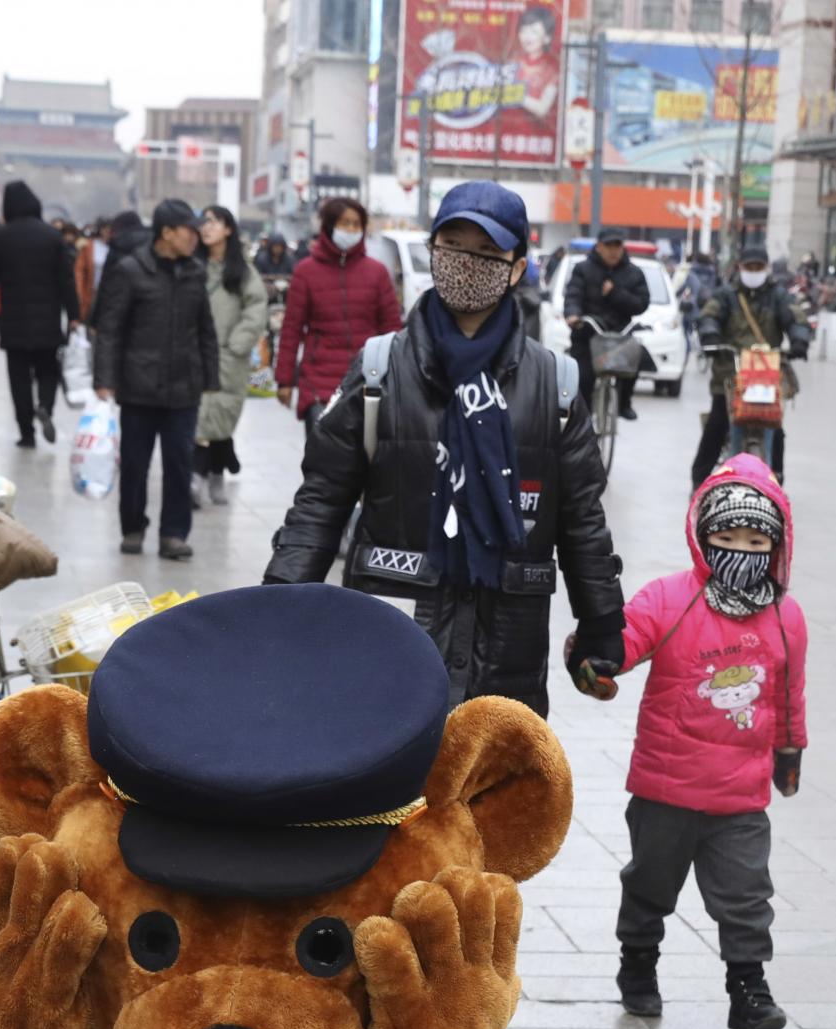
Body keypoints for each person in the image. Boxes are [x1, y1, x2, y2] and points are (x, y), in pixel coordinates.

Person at [265, 180, 623, 716]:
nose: (466, 264)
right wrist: (276, 606)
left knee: (488, 796)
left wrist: (601, 625)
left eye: (486, 253)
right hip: (388, 643)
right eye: (454, 247)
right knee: (382, 799)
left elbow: (581, 522)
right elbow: (321, 500)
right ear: (433, 252)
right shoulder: (379, 370)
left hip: (507, 654)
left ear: (517, 267)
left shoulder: (556, 386)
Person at [602, 457, 809, 1029]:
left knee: (746, 895)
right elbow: (626, 639)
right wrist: (595, 656)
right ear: (701, 536)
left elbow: (790, 692)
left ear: (775, 544)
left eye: (754, 539)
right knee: (649, 884)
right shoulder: (669, 598)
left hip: (740, 796)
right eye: (724, 537)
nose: (739, 549)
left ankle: (748, 987)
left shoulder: (785, 616)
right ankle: (638, 963)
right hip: (666, 787)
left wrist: (790, 751)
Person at [91, 197, 216, 560]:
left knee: (179, 462)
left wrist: (209, 375)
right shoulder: (131, 270)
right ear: (167, 233)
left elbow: (204, 329)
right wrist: (105, 379)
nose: (195, 237)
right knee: (134, 463)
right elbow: (110, 329)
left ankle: (174, 534)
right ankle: (133, 527)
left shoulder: (195, 272)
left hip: (183, 387)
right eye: (189, 230)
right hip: (138, 386)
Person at [273, 196, 400, 443]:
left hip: (368, 381)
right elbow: (291, 330)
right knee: (322, 467)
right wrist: (284, 381)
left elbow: (392, 332)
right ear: (329, 226)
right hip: (318, 383)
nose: (351, 230)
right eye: (344, 223)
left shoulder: (377, 273)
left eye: (356, 224)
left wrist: (398, 381)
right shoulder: (305, 272)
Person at [691, 238, 811, 484]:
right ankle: (699, 481)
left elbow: (796, 319)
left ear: (766, 268)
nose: (754, 272)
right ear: (740, 267)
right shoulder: (726, 295)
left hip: (766, 375)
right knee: (718, 423)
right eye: (750, 267)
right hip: (730, 372)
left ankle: (776, 478)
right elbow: (708, 316)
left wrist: (800, 340)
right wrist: (710, 335)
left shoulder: (779, 296)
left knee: (775, 426)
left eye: (758, 267)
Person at [0, 180, 79, 449]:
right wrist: (73, 314)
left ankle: (26, 433)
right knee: (48, 370)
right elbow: (66, 279)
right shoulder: (52, 236)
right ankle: (45, 405)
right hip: (47, 316)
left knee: (19, 377)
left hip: (13, 318)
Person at [192, 204, 268, 505]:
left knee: (221, 415)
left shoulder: (242, 271)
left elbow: (256, 307)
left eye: (214, 221)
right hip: (194, 353)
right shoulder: (193, 265)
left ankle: (216, 469)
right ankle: (196, 477)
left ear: (228, 228)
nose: (206, 227)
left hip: (228, 355)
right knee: (197, 416)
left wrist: (240, 341)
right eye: (203, 222)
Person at [563, 227, 650, 420]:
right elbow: (573, 296)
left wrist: (615, 293)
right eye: (608, 245)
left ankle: (623, 404)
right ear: (599, 247)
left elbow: (641, 303)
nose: (613, 250)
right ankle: (582, 417)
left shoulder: (634, 273)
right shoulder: (583, 269)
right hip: (588, 333)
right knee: (582, 377)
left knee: (635, 360)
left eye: (617, 245)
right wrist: (573, 315)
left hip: (619, 336)